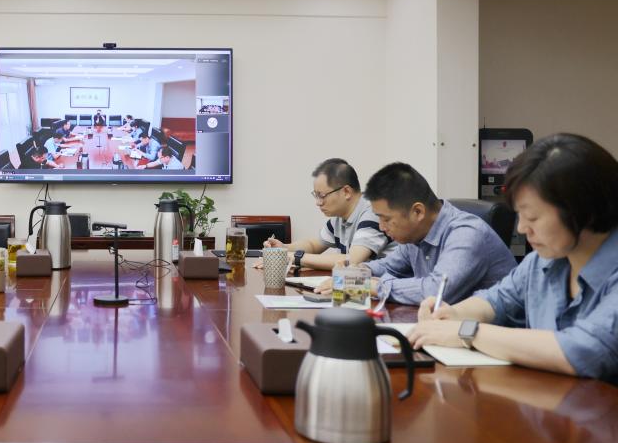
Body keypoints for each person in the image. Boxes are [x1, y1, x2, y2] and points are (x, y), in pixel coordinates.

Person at [409, 134, 618, 385]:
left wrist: (468, 332)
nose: (521, 228)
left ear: (583, 210)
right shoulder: (541, 262)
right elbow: (497, 300)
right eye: (519, 215)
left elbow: (585, 351)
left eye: (533, 217)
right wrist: (452, 314)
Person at [316, 162, 516, 305]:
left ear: (417, 212)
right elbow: (388, 266)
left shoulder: (466, 234)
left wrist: (367, 286)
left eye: (386, 219)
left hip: (492, 340)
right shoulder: (416, 235)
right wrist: (356, 271)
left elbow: (435, 291)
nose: (382, 227)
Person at [261, 159, 395, 271]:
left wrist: (293, 257)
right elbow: (314, 245)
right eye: (316, 195)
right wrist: (284, 248)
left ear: (346, 192)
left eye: (322, 195)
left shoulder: (374, 212)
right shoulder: (340, 216)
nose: (318, 203)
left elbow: (351, 260)